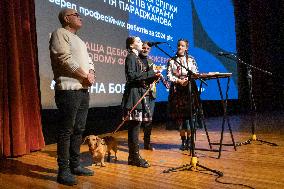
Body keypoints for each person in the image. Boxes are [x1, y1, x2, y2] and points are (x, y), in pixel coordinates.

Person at [49, 8, 95, 185]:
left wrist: (91, 73)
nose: (80, 16)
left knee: (79, 129)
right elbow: (63, 58)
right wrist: (84, 75)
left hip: (82, 90)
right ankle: (63, 171)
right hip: (68, 89)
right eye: (76, 14)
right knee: (66, 130)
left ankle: (76, 165)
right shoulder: (59, 33)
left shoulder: (80, 41)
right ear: (67, 19)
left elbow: (90, 61)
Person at [121, 36, 161, 168]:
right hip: (133, 96)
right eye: (138, 41)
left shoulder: (137, 58)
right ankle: (135, 157)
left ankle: (133, 156)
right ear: (132, 46)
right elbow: (131, 76)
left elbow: (140, 77)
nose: (141, 43)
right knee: (134, 127)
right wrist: (151, 73)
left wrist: (154, 76)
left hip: (138, 94)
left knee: (136, 126)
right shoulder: (131, 57)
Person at [167, 39, 199, 151]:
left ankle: (190, 140)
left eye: (182, 46)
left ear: (186, 48)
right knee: (180, 117)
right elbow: (169, 75)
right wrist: (178, 81)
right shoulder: (171, 60)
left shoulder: (191, 59)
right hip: (177, 90)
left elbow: (196, 72)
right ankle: (183, 140)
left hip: (189, 89)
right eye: (178, 45)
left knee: (190, 116)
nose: (180, 47)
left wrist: (188, 79)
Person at [139, 41, 156, 150]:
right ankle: (135, 143)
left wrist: (156, 77)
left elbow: (153, 76)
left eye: (147, 49)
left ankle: (147, 143)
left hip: (151, 93)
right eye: (144, 48)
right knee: (138, 120)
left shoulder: (151, 61)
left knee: (149, 120)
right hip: (140, 92)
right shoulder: (136, 59)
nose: (145, 50)